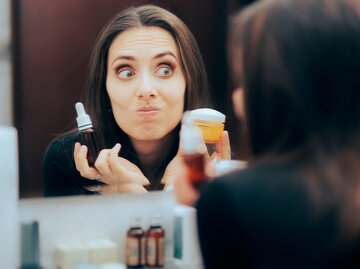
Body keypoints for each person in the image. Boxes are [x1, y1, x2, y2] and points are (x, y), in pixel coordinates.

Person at [174, 0, 360, 268]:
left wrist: (206, 208)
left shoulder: (234, 201)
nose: (237, 101)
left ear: (277, 88)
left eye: (244, 82)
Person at [42, 4, 230, 197]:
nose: (146, 90)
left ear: (188, 81)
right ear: (104, 87)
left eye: (165, 70)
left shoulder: (213, 160)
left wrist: (190, 190)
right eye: (126, 72)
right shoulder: (66, 159)